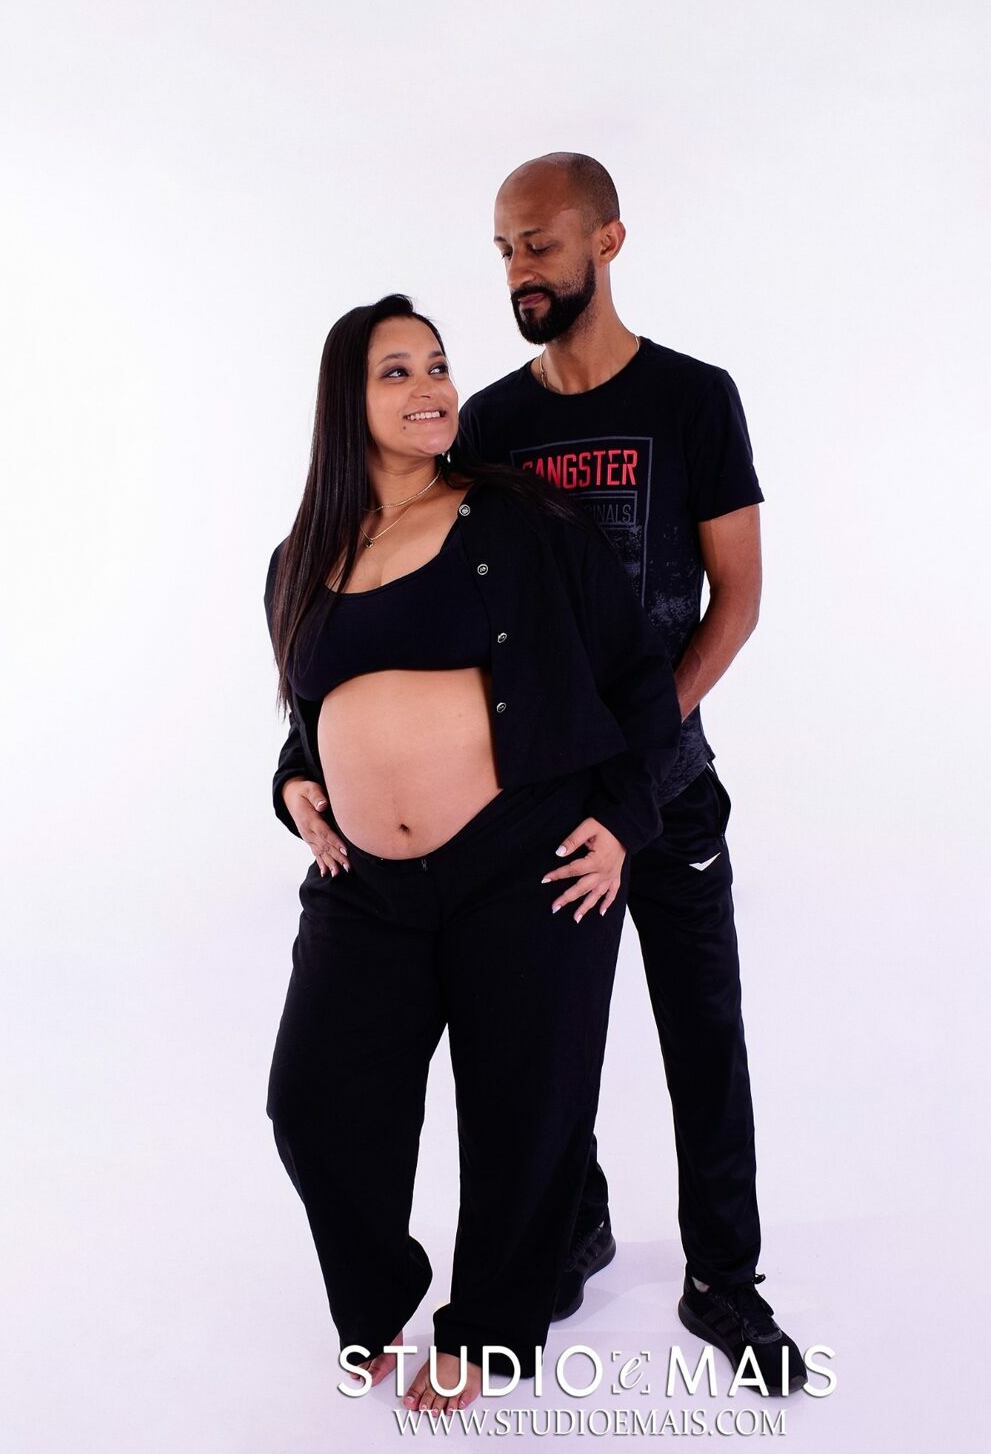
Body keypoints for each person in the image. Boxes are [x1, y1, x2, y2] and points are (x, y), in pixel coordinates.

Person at [263, 293, 681, 1415]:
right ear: (345, 403)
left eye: (438, 364)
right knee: (312, 1102)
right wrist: (292, 784)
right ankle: (377, 1299)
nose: (431, 386)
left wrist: (625, 820)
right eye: (396, 371)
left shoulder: (521, 519)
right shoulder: (298, 559)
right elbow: (307, 717)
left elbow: (636, 676)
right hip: (364, 888)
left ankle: (492, 1328)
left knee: (522, 1110)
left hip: (521, 863)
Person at [453, 153, 807, 1395]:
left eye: (541, 243)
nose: (520, 270)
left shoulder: (694, 399)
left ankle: (725, 1277)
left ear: (608, 239)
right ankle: (577, 1224)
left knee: (703, 1033)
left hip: (667, 784)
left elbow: (736, 602)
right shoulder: (490, 426)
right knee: (552, 1041)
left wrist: (642, 751)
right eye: (505, 249)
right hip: (546, 800)